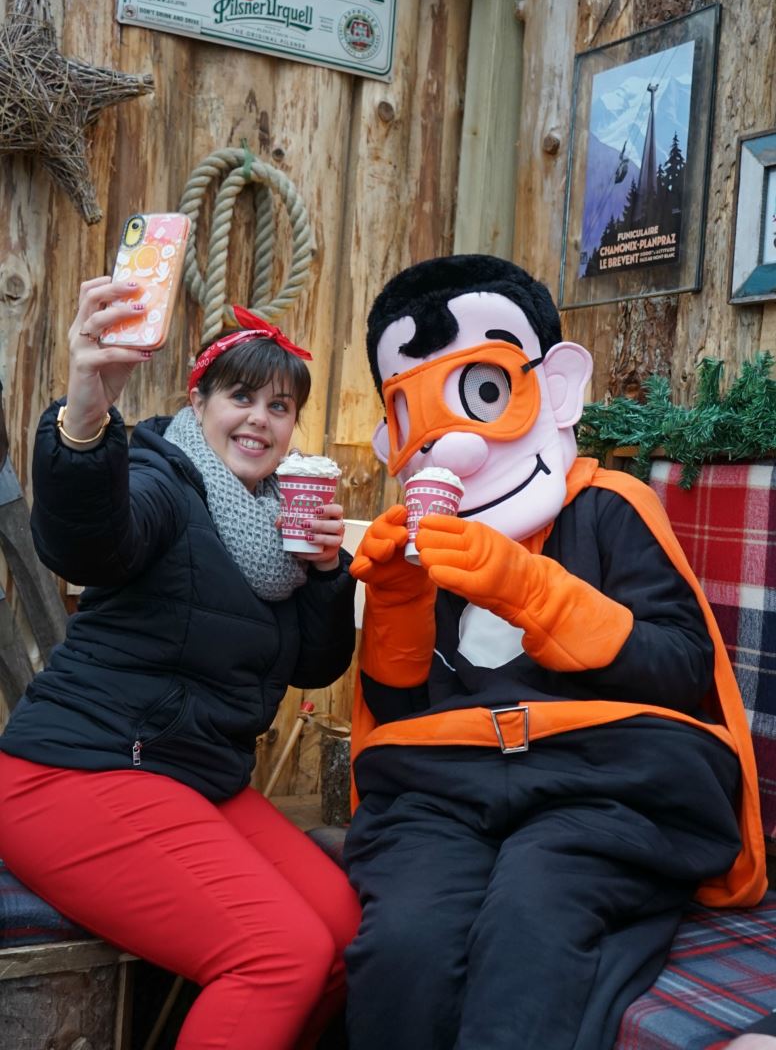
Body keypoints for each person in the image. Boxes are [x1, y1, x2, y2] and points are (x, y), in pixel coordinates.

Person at [344, 254, 767, 1050]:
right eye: (417, 419)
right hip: (448, 792)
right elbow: (401, 724)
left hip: (601, 788)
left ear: (557, 388)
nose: (457, 450)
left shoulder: (610, 508)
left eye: (486, 393)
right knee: (405, 945)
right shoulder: (420, 547)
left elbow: (681, 667)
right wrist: (398, 613)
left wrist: (536, 594)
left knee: (532, 923)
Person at [0, 275, 360, 1050]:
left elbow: (316, 668)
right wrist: (88, 414)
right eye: (240, 397)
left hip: (189, 776)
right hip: (75, 772)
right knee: (278, 955)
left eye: (280, 407)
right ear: (199, 405)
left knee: (342, 936)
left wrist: (329, 573)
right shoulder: (165, 478)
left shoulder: (280, 536)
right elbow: (86, 540)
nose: (259, 419)